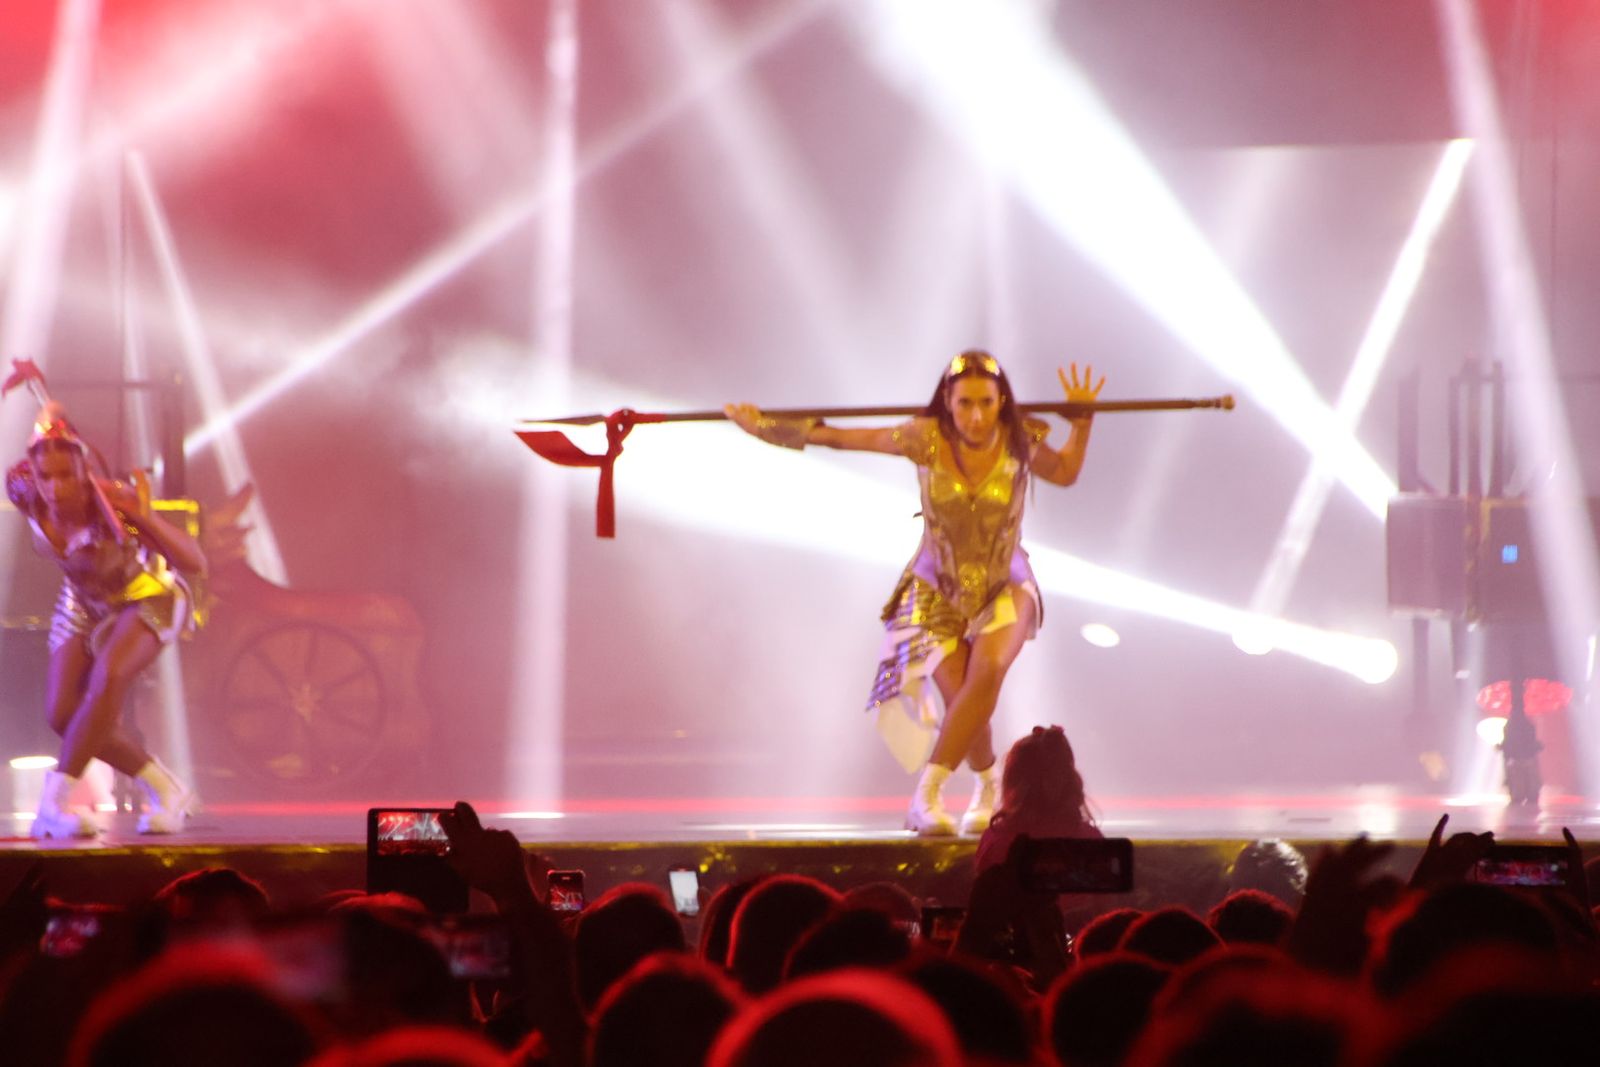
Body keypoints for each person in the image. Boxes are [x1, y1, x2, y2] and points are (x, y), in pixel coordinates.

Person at [726, 351, 1102, 835]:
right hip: (934, 588)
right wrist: (764, 426)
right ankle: (988, 784)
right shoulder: (923, 438)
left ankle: (926, 797)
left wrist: (1083, 424)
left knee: (986, 674)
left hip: (1005, 583)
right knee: (966, 704)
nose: (976, 416)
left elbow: (1066, 472)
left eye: (986, 403)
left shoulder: (1018, 438)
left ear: (1001, 401)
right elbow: (838, 437)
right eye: (964, 403)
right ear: (947, 402)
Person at [5, 401, 202, 838]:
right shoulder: (24, 492)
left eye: (65, 476)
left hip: (147, 594)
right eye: (46, 477)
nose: (54, 488)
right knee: (63, 714)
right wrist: (49, 418)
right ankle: (168, 789)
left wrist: (143, 514)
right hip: (82, 603)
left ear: (85, 473)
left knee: (109, 676)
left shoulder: (112, 507)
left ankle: (53, 806)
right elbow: (46, 435)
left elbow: (194, 561)